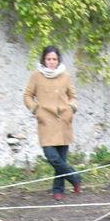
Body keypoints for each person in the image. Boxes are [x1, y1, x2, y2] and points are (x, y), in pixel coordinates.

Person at [23, 46, 81, 200]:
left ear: (58, 60)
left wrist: (71, 109)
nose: (51, 62)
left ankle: (58, 190)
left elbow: (73, 96)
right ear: (44, 60)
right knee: (52, 157)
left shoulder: (65, 76)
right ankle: (75, 177)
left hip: (63, 122)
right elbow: (27, 96)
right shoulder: (36, 76)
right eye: (48, 59)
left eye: (54, 59)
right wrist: (36, 110)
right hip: (46, 122)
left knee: (61, 159)